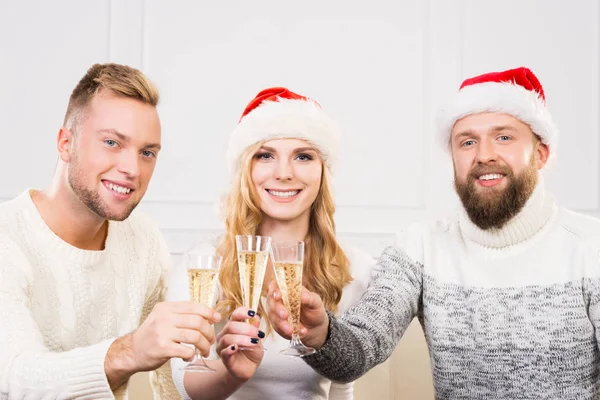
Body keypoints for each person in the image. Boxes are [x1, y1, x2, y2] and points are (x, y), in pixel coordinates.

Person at [268, 67, 600, 399]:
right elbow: (359, 352)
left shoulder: (590, 245)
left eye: (504, 137)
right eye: (468, 142)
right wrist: (321, 333)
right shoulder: (419, 247)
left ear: (540, 154)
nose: (484, 155)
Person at [0, 63, 220, 399]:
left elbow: (168, 381)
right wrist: (129, 351)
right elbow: (15, 376)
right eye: (112, 142)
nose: (132, 169)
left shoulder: (144, 239)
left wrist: (227, 369)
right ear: (64, 143)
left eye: (147, 152)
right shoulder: (8, 235)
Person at [170, 87, 374, 399]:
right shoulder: (205, 262)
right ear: (245, 169)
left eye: (303, 156)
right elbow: (187, 385)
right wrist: (231, 373)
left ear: (323, 171)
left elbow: (343, 384)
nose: (283, 174)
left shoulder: (354, 269)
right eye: (265, 156)